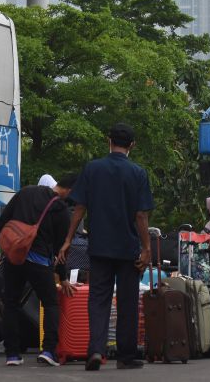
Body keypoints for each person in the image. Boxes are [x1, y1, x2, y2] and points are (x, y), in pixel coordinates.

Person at [58, 123, 154, 371]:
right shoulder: (138, 173)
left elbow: (79, 208)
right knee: (127, 301)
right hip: (128, 248)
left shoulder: (93, 169)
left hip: (99, 247)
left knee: (98, 300)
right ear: (131, 145)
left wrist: (68, 239)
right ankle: (126, 355)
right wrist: (146, 248)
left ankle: (96, 350)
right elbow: (141, 215)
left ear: (108, 140)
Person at [0, 176, 78, 367]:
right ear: (70, 190)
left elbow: (3, 219)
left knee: (10, 303)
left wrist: (6, 248)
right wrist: (64, 277)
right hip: (39, 261)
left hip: (14, 258)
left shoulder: (26, 192)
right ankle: (49, 350)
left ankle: (12, 354)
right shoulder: (60, 209)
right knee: (50, 303)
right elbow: (61, 248)